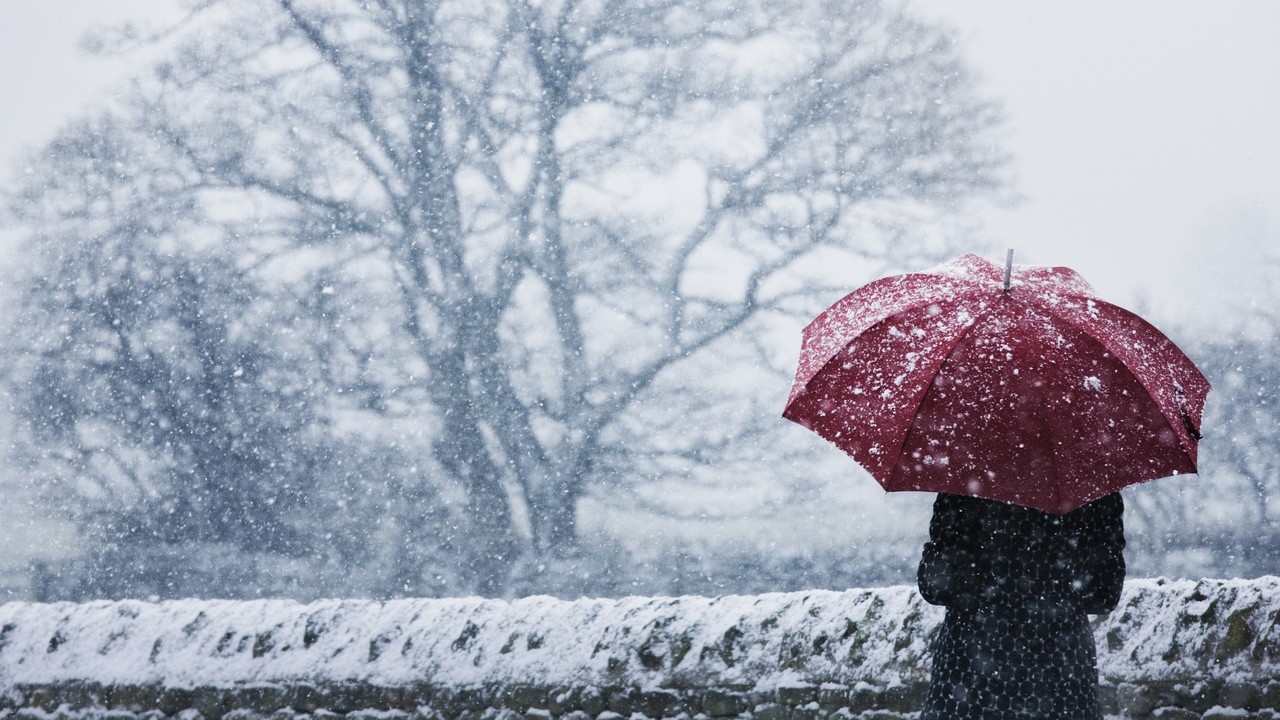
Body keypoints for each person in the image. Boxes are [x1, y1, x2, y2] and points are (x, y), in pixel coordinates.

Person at [917, 492, 1126, 720]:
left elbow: (935, 588)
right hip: (1062, 675)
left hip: (970, 676)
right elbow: (1104, 595)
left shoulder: (964, 480)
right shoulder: (1089, 482)